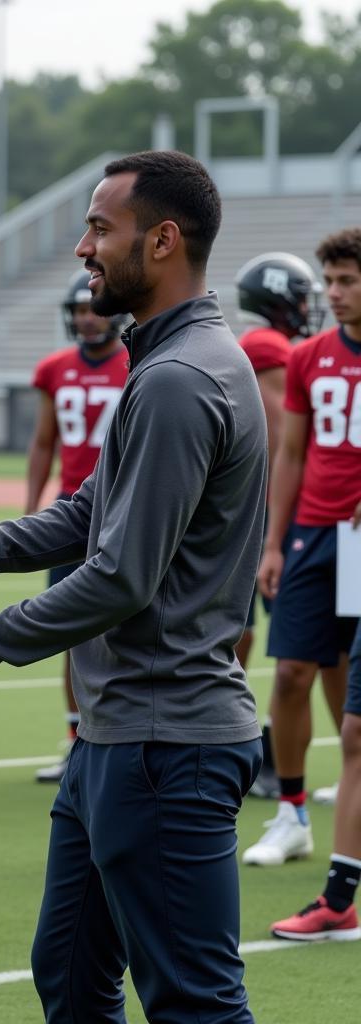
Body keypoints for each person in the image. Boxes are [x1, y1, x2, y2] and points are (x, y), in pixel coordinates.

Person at [0, 150, 265, 1022]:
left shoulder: (178, 379)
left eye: (101, 227)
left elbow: (121, 577)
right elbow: (89, 513)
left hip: (166, 744)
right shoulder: (170, 361)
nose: (83, 247)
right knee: (72, 976)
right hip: (117, 739)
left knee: (196, 1004)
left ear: (162, 241)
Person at [243, 229, 361, 867]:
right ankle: (291, 813)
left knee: (353, 679)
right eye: (331, 282)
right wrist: (274, 543)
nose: (336, 294)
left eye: (348, 281)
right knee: (291, 672)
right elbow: (289, 454)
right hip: (313, 533)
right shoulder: (310, 356)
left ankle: (353, 792)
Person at [26, 269, 128, 783]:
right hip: (72, 510)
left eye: (92, 309)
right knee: (70, 629)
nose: (87, 320)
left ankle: (115, 731)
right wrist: (31, 502)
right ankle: (75, 740)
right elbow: (44, 442)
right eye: (79, 312)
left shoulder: (135, 363)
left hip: (123, 507)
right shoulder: (54, 369)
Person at [234, 251, 327, 801]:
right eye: (301, 295)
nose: (309, 307)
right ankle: (260, 754)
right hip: (275, 513)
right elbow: (283, 437)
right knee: (294, 644)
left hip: (264, 511)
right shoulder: (269, 347)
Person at [270, 509, 361, 942]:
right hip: (326, 530)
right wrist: (273, 542)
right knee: (356, 733)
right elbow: (289, 452)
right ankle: (338, 902)